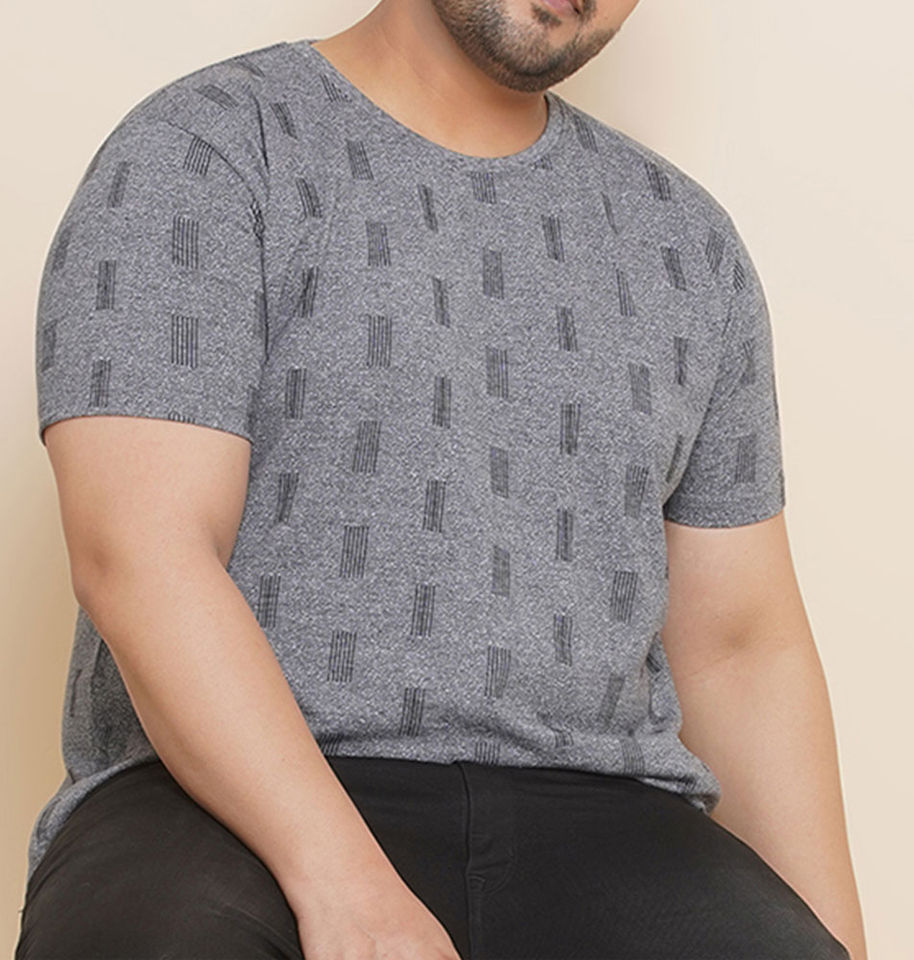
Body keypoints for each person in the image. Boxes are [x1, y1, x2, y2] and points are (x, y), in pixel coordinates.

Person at [15, 1, 867, 958]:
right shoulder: (205, 150)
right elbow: (141, 554)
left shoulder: (688, 244)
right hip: (221, 799)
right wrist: (347, 888)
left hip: (601, 814)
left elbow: (741, 650)